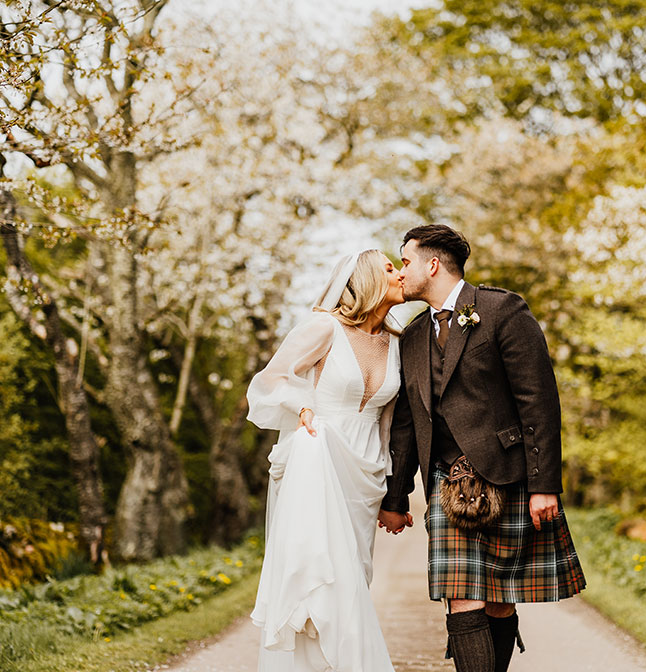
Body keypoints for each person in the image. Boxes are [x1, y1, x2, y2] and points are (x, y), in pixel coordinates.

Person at [377, 224, 586, 672]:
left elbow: (539, 402)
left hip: (507, 476)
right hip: (444, 484)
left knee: (499, 602)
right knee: (461, 596)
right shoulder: (413, 336)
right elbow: (408, 426)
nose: (401, 272)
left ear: (433, 264)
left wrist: (543, 486)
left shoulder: (501, 310)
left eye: (406, 261)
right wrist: (395, 499)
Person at [246, 249, 410, 672]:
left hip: (364, 473)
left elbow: (390, 423)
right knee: (319, 581)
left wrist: (394, 490)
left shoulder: (397, 342)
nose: (400, 274)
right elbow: (270, 380)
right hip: (319, 460)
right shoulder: (325, 328)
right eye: (391, 268)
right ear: (368, 279)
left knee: (353, 580)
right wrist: (302, 407)